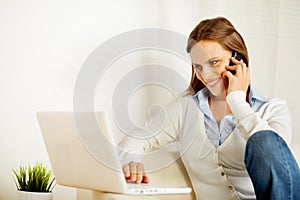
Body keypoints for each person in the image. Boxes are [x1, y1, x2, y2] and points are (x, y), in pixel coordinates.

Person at [118, 17, 300, 199]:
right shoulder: (185, 108)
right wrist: (130, 160)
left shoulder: (273, 110)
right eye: (198, 67)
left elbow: (279, 165)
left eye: (214, 63)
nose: (205, 75)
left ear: (238, 59)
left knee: (264, 140)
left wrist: (236, 100)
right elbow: (137, 138)